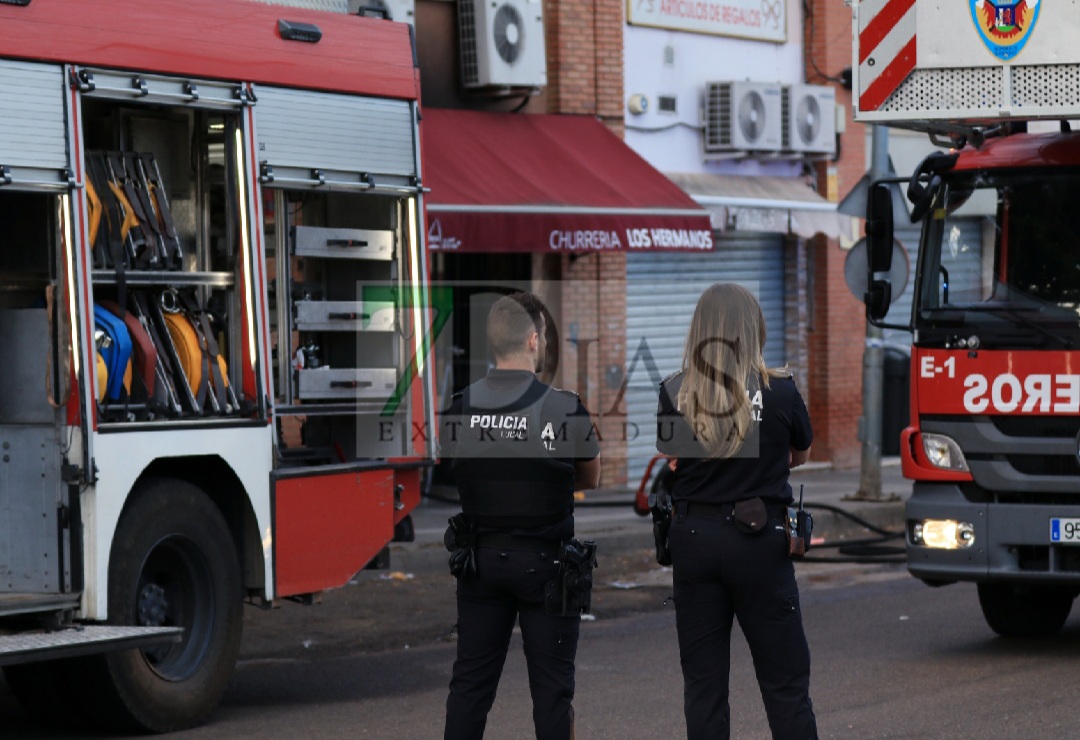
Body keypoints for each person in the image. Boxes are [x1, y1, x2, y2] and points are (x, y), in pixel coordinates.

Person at [655, 283, 817, 740]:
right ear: (753, 330)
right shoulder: (780, 390)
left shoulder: (675, 391)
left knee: (704, 689)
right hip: (759, 542)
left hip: (693, 540)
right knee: (785, 685)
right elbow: (801, 452)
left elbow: (672, 457)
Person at [442, 292, 601, 740]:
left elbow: (457, 467)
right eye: (544, 336)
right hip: (547, 566)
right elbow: (591, 476)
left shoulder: (460, 405)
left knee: (470, 688)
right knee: (552, 695)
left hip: (481, 562)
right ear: (533, 340)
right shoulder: (564, 407)